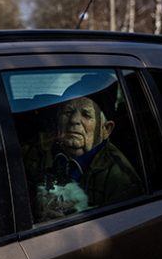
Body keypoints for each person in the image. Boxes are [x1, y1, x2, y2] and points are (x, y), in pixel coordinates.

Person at [24, 76, 142, 221]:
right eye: (68, 112)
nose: (74, 120)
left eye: (86, 114)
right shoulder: (33, 153)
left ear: (106, 129)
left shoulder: (121, 180)